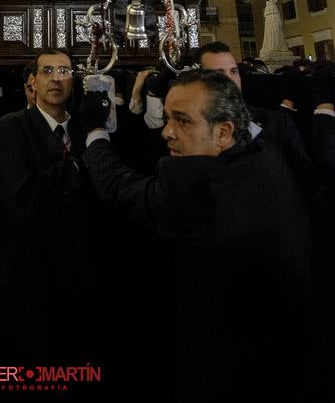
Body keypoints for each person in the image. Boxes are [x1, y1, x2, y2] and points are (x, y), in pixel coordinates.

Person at [81, 70, 324, 402]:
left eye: (182, 122)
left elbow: (117, 185)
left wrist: (95, 131)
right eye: (167, 118)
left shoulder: (195, 187)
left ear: (223, 131)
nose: (167, 132)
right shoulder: (265, 156)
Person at [0, 48, 105, 360]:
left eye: (64, 71)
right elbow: (21, 199)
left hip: (78, 273)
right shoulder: (11, 127)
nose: (56, 78)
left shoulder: (84, 128)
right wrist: (77, 165)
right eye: (47, 71)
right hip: (30, 274)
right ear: (33, 82)